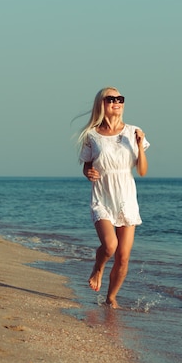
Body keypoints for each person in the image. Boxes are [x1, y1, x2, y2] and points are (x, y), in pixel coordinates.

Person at [77, 86, 149, 308]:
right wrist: (87, 172)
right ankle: (98, 267)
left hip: (126, 196)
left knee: (123, 256)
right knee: (110, 246)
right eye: (111, 99)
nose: (116, 102)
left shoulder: (134, 131)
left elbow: (142, 171)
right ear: (102, 104)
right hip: (102, 196)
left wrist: (139, 145)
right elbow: (87, 166)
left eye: (120, 98)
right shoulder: (91, 135)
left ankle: (111, 298)